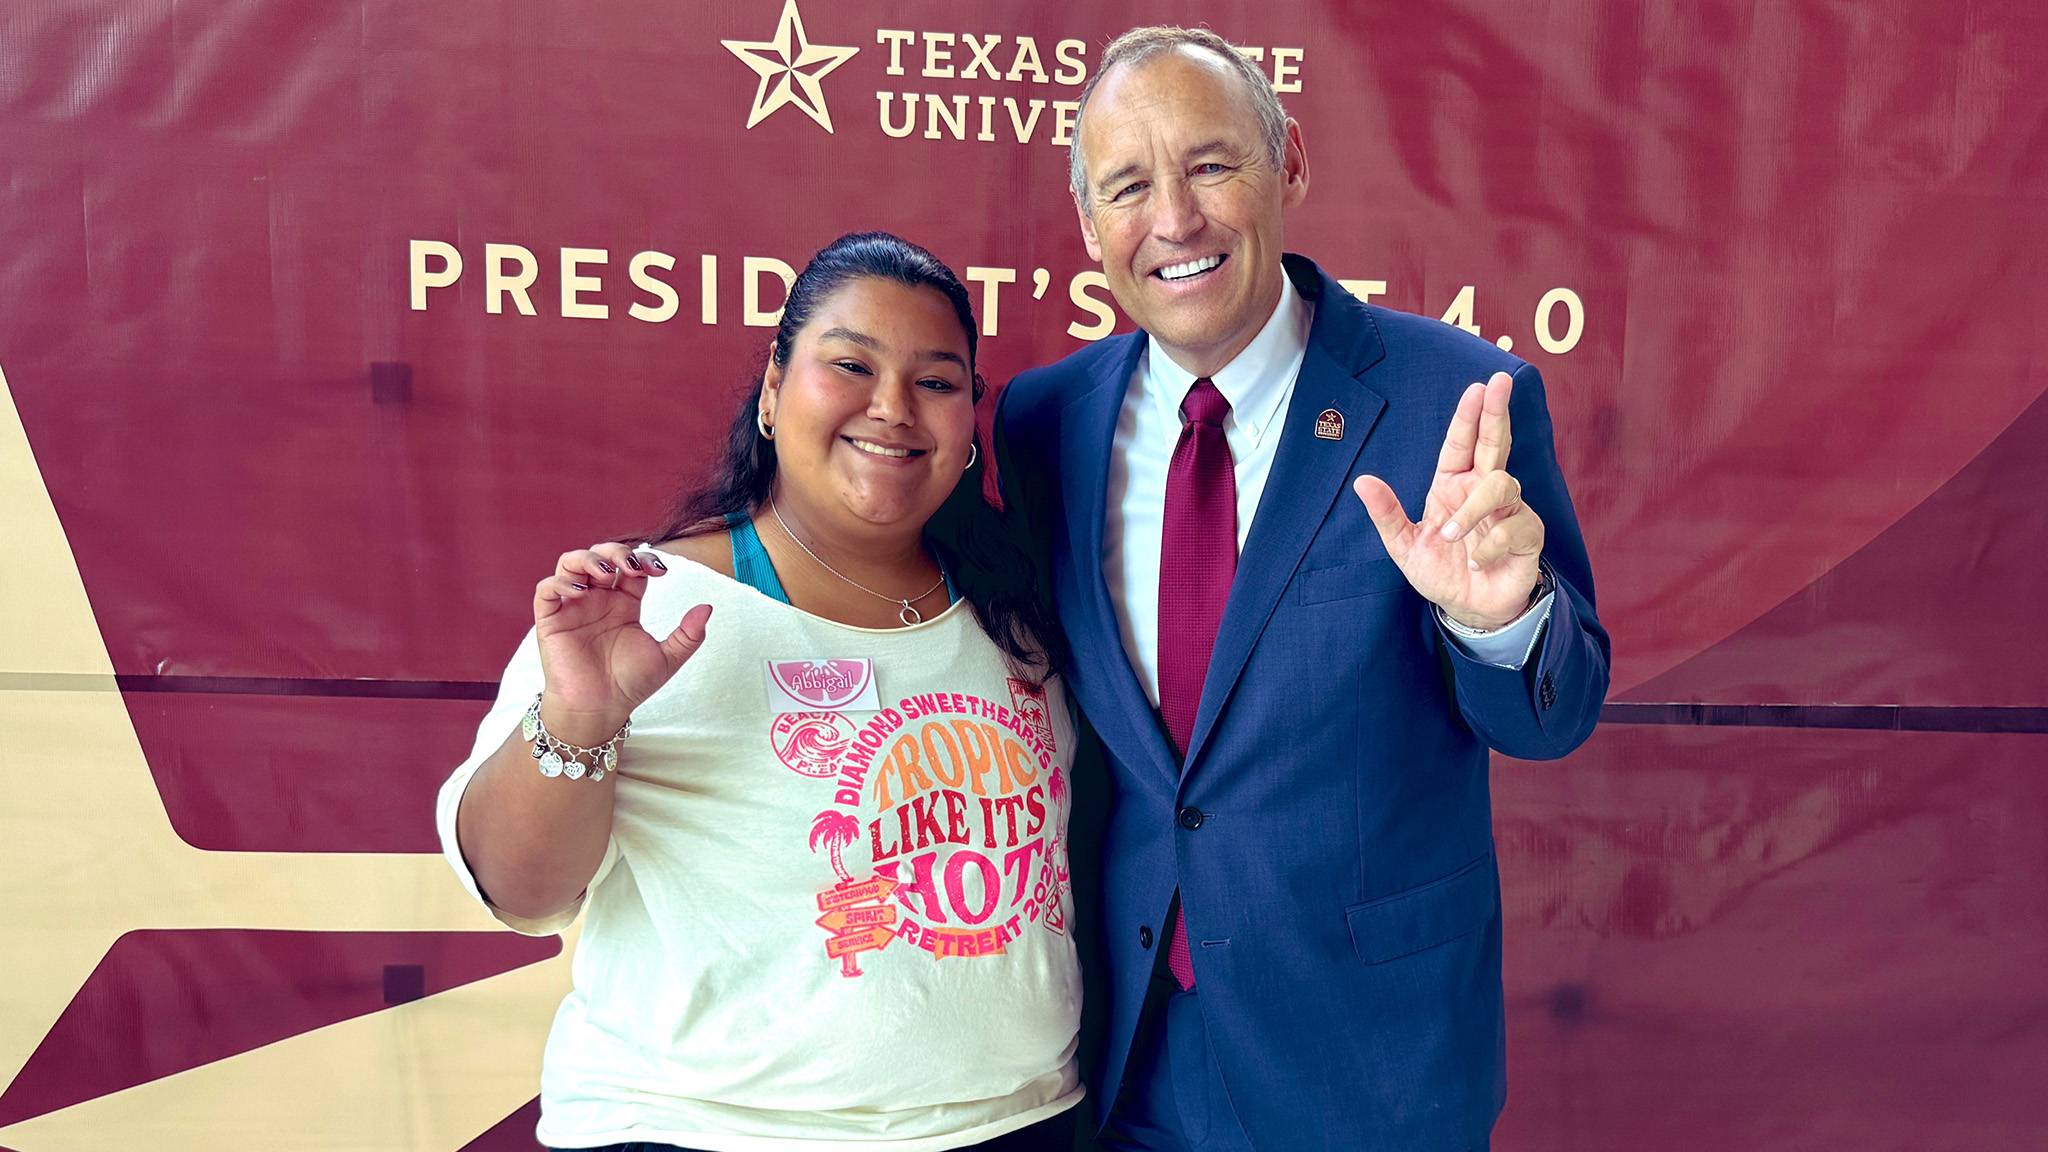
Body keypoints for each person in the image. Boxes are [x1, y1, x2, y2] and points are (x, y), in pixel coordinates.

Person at [994, 27, 1611, 1152]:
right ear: (1090, 229)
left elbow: (1551, 716)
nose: (1173, 219)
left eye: (1211, 164)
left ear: (1289, 163)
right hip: (1117, 1060)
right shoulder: (1040, 425)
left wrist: (1496, 624)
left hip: (1366, 1069)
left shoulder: (1455, 397)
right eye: (1128, 187)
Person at [437, 232, 1085, 1151]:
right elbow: (520, 892)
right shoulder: (649, 606)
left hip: (1018, 1124)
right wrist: (583, 717)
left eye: (937, 382)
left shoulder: (1020, 612)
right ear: (774, 392)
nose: (893, 408)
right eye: (850, 365)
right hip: (712, 1132)